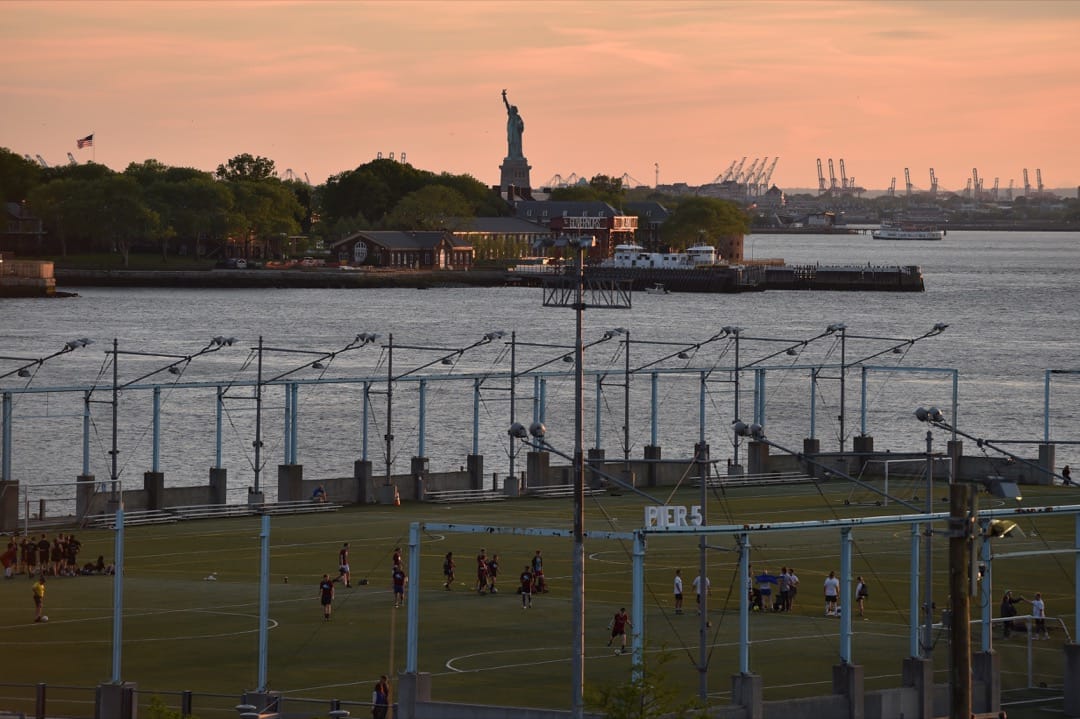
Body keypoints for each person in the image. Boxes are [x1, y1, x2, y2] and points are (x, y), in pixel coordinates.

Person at [501, 89, 525, 160]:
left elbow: (521, 125)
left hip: (516, 135)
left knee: (517, 146)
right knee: (511, 145)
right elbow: (507, 106)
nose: (511, 110)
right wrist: (504, 97)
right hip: (511, 134)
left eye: (512, 109)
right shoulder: (511, 116)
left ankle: (517, 156)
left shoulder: (518, 117)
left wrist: (520, 126)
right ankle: (511, 156)